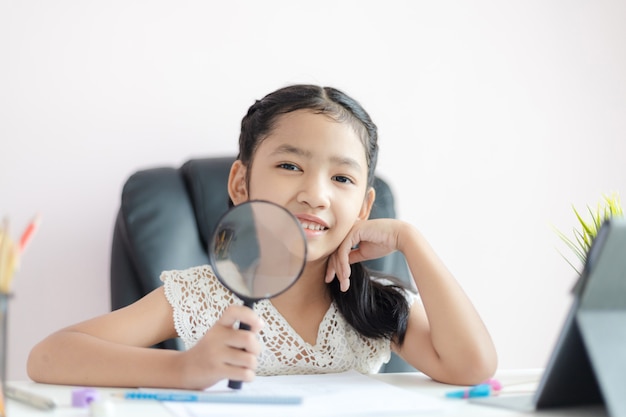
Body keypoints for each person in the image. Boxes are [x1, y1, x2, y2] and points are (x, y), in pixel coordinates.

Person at [27, 84, 497, 389]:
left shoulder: (380, 304)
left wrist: (411, 240)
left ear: (366, 208)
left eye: (342, 179)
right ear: (240, 184)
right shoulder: (203, 295)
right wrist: (184, 370)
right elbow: (48, 358)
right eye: (290, 166)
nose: (315, 195)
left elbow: (472, 368)